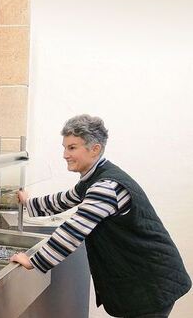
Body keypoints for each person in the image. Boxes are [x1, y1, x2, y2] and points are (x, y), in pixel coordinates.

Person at [10, 115, 191, 318]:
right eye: (65, 147)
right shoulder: (96, 177)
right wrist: (28, 202)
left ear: (94, 149)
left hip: (151, 283)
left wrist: (34, 261)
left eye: (72, 148)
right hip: (148, 278)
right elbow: (64, 199)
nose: (64, 154)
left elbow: (73, 230)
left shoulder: (105, 186)